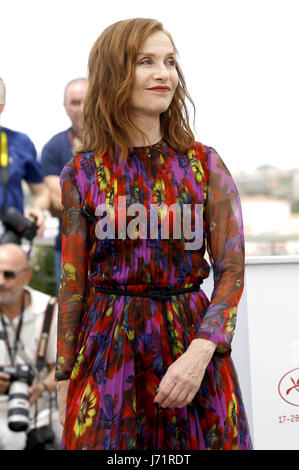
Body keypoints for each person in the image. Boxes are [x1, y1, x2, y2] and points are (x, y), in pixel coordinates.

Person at [56, 18, 252, 450]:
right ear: (113, 72)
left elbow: (232, 272)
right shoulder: (82, 173)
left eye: (169, 61)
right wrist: (64, 379)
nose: (165, 74)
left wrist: (203, 352)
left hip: (191, 347)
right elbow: (72, 284)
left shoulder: (204, 164)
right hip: (109, 353)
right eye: (146, 61)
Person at [0, 243, 62, 449]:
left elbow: (62, 368)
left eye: (9, 275)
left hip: (42, 407)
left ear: (26, 277)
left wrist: (41, 387)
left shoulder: (50, 310)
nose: (1, 281)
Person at [40, 78, 88, 292]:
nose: (82, 109)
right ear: (66, 108)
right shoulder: (54, 147)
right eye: (75, 103)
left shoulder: (119, 142)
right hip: (68, 250)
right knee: (70, 317)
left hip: (112, 247)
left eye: (87, 101)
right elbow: (58, 201)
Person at [0, 78, 49, 238]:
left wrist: (37, 209)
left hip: (9, 240)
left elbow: (41, 192)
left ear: (2, 106)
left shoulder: (20, 142)